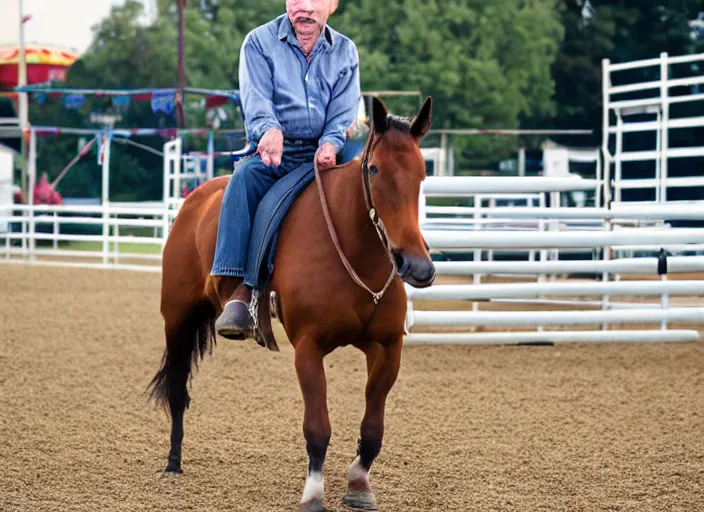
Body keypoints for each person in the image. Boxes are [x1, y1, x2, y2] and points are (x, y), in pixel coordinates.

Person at [210, 0, 361, 339]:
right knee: (244, 177)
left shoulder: (346, 51)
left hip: (323, 151)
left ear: (332, 5)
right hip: (275, 149)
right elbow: (256, 98)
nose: (303, 8)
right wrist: (269, 130)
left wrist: (331, 142)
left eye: (314, 1)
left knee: (370, 179)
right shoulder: (258, 42)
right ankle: (240, 291)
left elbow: (344, 108)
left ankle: (380, 270)